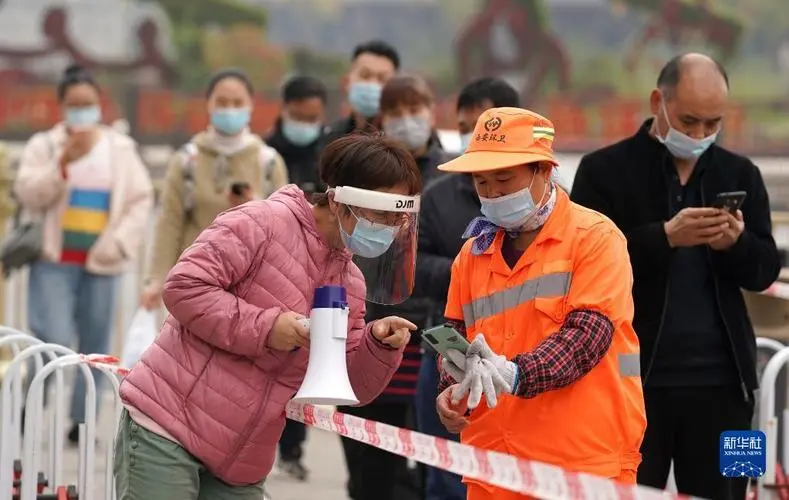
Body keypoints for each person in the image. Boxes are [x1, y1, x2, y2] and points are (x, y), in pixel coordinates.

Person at [115, 134, 423, 500]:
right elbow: (184, 287)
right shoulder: (261, 222)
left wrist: (378, 345)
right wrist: (267, 328)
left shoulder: (351, 283)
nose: (389, 228)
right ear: (341, 202)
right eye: (381, 215)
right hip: (169, 424)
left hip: (242, 459)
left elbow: (351, 387)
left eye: (398, 219)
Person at [571, 53, 781, 500]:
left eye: (713, 123)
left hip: (730, 382)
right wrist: (664, 237)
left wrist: (735, 245)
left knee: (732, 490)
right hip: (632, 381)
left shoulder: (741, 172)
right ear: (657, 102)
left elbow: (765, 270)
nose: (700, 134)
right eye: (689, 121)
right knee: (621, 491)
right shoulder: (603, 170)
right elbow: (582, 264)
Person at [434, 107, 647, 500]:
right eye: (481, 182)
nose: (493, 193)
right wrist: (452, 389)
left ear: (544, 171)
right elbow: (455, 337)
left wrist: (516, 374)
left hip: (580, 465)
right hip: (493, 466)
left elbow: (587, 337)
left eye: (504, 178)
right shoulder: (473, 254)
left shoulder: (595, 238)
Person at [14, 63, 153, 444]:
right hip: (53, 262)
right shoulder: (44, 145)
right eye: (74, 105)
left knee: (94, 345)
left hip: (102, 263)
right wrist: (62, 165)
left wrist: (120, 243)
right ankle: (29, 411)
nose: (82, 112)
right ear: (61, 106)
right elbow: (28, 193)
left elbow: (140, 200)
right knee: (50, 340)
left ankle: (81, 421)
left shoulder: (119, 148)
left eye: (88, 104)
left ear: (100, 104)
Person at [411, 77, 520, 500]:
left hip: (517, 367)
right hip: (450, 350)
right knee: (443, 475)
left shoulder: (555, 207)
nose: (491, 192)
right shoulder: (437, 197)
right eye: (466, 128)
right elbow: (412, 266)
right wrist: (467, 270)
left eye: (484, 127)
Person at [340, 74, 445, 500]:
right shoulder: (367, 173)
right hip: (374, 327)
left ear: (432, 110)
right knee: (370, 465)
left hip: (426, 335)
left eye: (414, 109)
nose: (407, 120)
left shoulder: (452, 176)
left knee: (428, 462)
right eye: (396, 112)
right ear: (381, 117)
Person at [140, 68, 288, 310]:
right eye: (222, 102)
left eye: (237, 102)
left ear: (251, 105)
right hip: (194, 279)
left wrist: (254, 204)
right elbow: (170, 222)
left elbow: (283, 230)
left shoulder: (268, 162)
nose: (230, 109)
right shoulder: (188, 160)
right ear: (208, 104)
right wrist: (156, 279)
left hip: (250, 282)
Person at [320, 40, 400, 149]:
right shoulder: (331, 138)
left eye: (382, 79)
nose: (372, 84)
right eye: (365, 75)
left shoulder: (400, 140)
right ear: (347, 82)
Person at [267, 75, 328, 197]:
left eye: (311, 118)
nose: (303, 124)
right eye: (298, 116)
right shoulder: (267, 154)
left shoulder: (331, 154)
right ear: (283, 107)